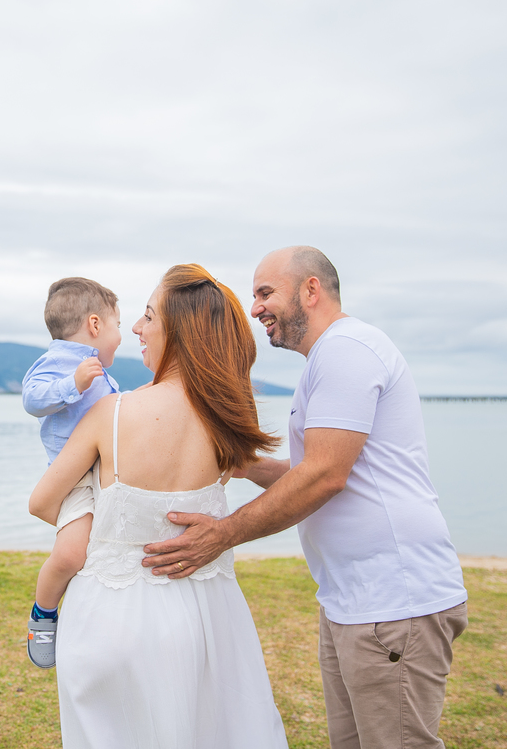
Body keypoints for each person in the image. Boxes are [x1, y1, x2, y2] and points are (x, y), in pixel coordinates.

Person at [143, 246, 468, 749]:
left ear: (311, 290)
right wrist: (242, 463)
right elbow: (316, 471)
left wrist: (222, 535)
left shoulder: (347, 351)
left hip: (392, 600)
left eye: (265, 293)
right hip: (352, 600)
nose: (255, 309)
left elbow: (324, 476)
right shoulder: (330, 358)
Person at [29, 264, 289, 749]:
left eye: (148, 316)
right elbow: (283, 480)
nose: (135, 328)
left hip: (111, 618)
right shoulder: (225, 422)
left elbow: (42, 501)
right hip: (209, 620)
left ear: (179, 331)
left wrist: (92, 498)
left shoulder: (112, 413)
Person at [21, 277, 123, 668]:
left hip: (106, 471)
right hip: (75, 475)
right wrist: (72, 384)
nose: (120, 335)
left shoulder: (100, 369)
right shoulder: (58, 363)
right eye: (116, 325)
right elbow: (32, 400)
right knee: (69, 554)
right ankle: (43, 614)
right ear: (95, 325)